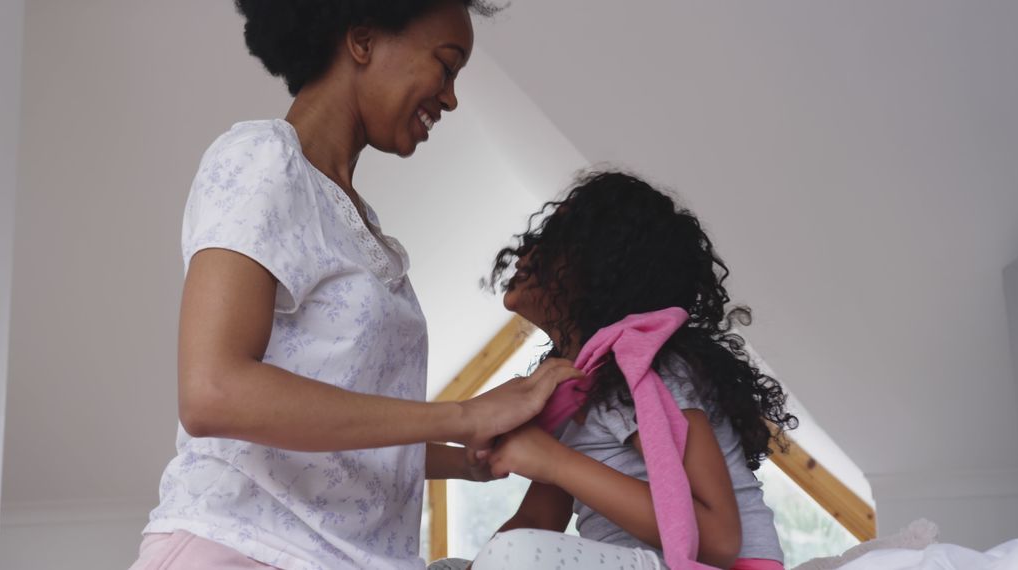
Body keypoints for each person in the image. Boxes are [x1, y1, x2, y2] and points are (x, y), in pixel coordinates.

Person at [128, 1, 578, 569]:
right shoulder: (263, 161)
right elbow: (213, 391)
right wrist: (464, 416)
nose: (450, 97)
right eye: (445, 65)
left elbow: (334, 426)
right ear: (362, 41)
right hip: (244, 547)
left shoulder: (360, 224)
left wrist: (469, 458)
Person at [466, 171, 798, 569]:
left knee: (511, 557)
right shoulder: (570, 389)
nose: (525, 256)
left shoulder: (647, 371)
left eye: (550, 243)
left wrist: (554, 461)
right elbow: (537, 520)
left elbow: (721, 538)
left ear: (597, 269)